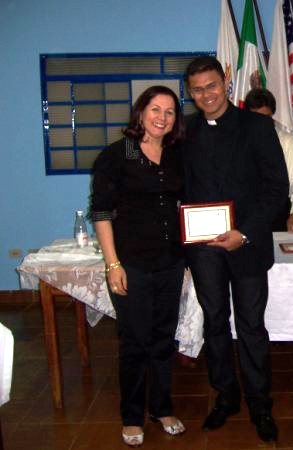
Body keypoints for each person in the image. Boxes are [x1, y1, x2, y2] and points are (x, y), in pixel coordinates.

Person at [181, 56, 289, 442]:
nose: (206, 95)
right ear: (189, 92)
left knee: (251, 327)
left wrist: (244, 232)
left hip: (247, 244)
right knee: (214, 323)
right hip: (203, 249)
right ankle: (225, 396)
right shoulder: (185, 131)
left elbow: (278, 190)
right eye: (197, 89)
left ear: (226, 82)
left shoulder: (258, 127)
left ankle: (260, 404)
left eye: (211, 85)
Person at [90, 85, 187, 447]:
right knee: (134, 341)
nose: (162, 117)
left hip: (171, 262)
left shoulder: (178, 155)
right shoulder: (116, 156)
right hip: (131, 263)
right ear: (141, 112)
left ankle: (161, 408)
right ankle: (132, 415)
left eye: (170, 111)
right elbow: (101, 212)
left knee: (163, 338)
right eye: (155, 109)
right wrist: (113, 263)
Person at [244, 88, 293, 232]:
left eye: (265, 118)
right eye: (256, 118)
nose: (260, 123)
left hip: (277, 213)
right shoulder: (238, 140)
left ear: (272, 115)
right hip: (246, 214)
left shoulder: (285, 140)